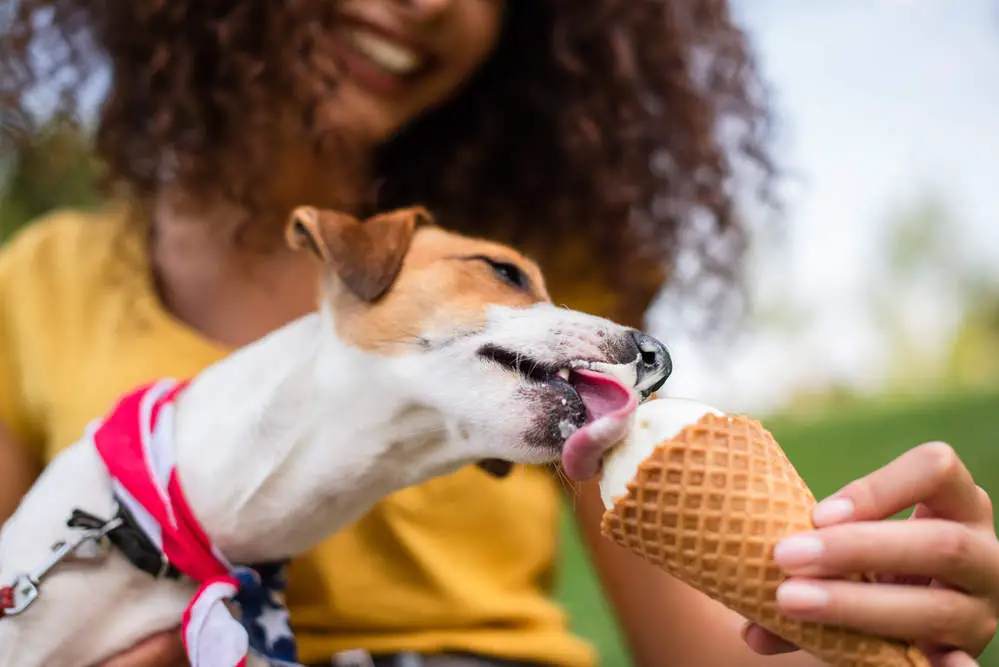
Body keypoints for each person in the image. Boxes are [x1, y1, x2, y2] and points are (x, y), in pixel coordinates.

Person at [1, 2, 996, 666]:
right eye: (513, 281)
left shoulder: (549, 280)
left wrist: (863, 625)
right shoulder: (34, 284)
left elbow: (716, 652)